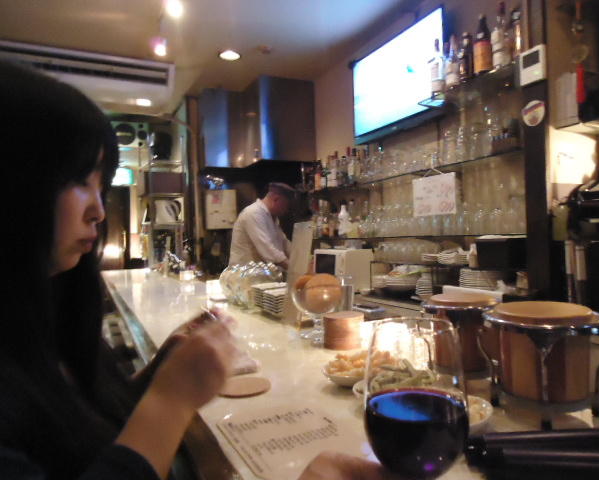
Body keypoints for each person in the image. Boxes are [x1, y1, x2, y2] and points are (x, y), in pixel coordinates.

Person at [0, 60, 388, 480]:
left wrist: (161, 371)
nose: (98, 210)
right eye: (80, 180)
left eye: (101, 185)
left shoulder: (42, 324)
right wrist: (172, 398)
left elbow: (90, 426)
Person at [228, 182, 294, 269]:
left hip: (259, 274)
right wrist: (293, 268)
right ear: (276, 199)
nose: (286, 210)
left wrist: (301, 258)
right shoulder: (253, 213)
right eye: (285, 206)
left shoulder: (272, 218)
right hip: (244, 275)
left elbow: (285, 244)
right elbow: (268, 250)